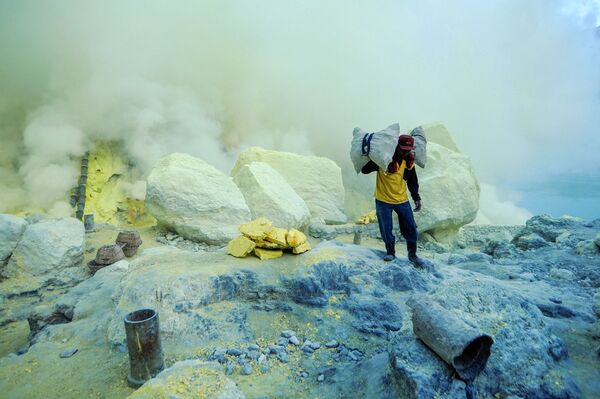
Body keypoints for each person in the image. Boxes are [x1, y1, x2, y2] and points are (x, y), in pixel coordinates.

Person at [361, 134, 424, 266]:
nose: (406, 151)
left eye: (408, 149)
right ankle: (390, 252)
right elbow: (364, 170)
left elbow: (412, 182)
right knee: (386, 228)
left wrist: (416, 198)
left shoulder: (409, 163)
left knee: (411, 228)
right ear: (396, 147)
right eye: (403, 149)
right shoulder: (384, 159)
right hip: (383, 200)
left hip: (402, 200)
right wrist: (371, 158)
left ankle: (412, 254)